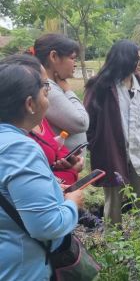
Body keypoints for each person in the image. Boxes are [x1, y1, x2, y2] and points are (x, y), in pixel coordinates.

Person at [0, 59, 83, 281]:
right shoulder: (19, 148)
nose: (48, 97)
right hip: (21, 269)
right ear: (30, 104)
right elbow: (46, 226)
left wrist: (51, 186)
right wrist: (72, 203)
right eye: (45, 90)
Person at [84, 40, 140, 225]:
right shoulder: (100, 87)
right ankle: (114, 246)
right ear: (124, 59)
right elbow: (87, 120)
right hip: (112, 154)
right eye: (137, 59)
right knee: (113, 203)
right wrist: (97, 145)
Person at [0, 54, 84, 185]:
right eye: (44, 84)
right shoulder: (20, 146)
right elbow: (39, 191)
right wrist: (71, 173)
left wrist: (63, 165)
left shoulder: (37, 119)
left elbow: (56, 149)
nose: (48, 90)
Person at [32, 33, 89, 152]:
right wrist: (68, 90)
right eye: (72, 58)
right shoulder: (48, 89)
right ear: (54, 57)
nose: (75, 63)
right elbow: (81, 122)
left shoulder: (51, 85)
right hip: (58, 167)